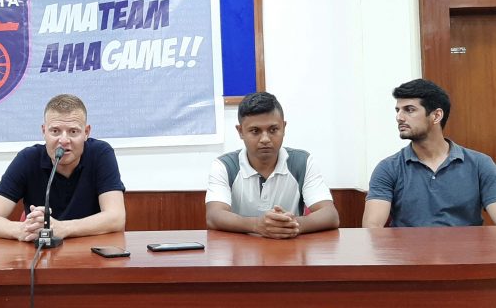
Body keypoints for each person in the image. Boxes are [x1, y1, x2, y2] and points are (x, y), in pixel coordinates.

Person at [0, 94, 126, 242]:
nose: (64, 140)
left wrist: (63, 228)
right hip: (43, 256)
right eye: (55, 131)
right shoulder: (28, 159)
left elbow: (116, 218)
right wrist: (20, 230)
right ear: (43, 131)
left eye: (73, 131)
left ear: (86, 132)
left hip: (92, 253)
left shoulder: (100, 154)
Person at [363, 79, 496, 227]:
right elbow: (372, 229)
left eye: (409, 109)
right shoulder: (388, 168)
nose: (399, 117)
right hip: (408, 249)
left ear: (436, 116)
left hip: (467, 249)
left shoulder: (480, 164)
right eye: (398, 110)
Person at [205, 92, 339, 239]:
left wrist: (291, 224)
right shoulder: (224, 166)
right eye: (255, 131)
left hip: (289, 251)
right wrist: (257, 225)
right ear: (240, 131)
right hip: (241, 254)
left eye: (273, 130)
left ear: (284, 127)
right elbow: (214, 216)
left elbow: (330, 215)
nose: (265, 139)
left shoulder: (303, 162)